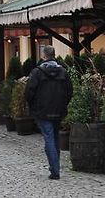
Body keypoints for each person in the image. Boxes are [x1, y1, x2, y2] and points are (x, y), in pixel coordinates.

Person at [26, 45, 73, 180]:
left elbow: (29, 92)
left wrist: (33, 105)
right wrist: (63, 104)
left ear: (44, 56)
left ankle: (55, 170)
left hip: (42, 110)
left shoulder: (37, 72)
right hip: (58, 110)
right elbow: (69, 91)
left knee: (49, 138)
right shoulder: (63, 72)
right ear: (54, 55)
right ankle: (55, 167)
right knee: (55, 137)